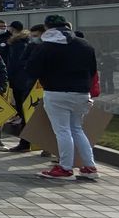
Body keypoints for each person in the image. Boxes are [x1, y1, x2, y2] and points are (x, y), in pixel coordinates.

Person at [27, 15, 100, 180]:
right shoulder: (85, 45)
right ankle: (90, 166)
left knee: (62, 130)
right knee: (77, 129)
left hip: (56, 92)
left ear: (47, 28)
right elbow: (93, 69)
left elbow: (32, 70)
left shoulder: (46, 46)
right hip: (81, 92)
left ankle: (65, 167)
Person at [6, 23, 40, 153]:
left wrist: (11, 80)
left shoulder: (19, 45)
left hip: (25, 84)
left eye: (36, 35)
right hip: (28, 83)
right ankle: (29, 142)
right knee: (27, 113)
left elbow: (16, 64)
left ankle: (26, 142)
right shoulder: (29, 45)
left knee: (25, 112)